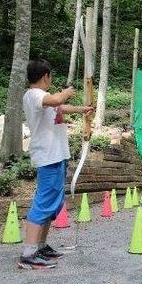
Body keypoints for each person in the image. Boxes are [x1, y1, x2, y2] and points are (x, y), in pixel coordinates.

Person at [19, 59, 93, 269]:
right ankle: (28, 253)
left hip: (56, 155)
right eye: (49, 76)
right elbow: (56, 100)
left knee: (53, 202)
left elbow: (60, 107)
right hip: (47, 156)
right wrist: (68, 91)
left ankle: (40, 246)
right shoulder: (34, 95)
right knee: (44, 202)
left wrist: (83, 109)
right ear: (45, 76)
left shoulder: (45, 98)